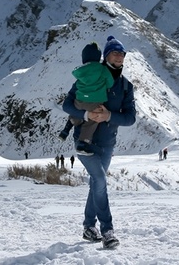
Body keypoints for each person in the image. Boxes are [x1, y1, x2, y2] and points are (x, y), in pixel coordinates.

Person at [62, 36, 136, 249]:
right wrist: (86, 116)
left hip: (108, 144)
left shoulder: (125, 86)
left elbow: (130, 118)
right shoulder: (88, 77)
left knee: (97, 183)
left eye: (122, 54)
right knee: (100, 181)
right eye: (115, 53)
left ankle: (88, 226)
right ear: (106, 55)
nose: (120, 56)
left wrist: (109, 116)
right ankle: (107, 230)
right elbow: (67, 105)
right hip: (86, 142)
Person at [64, 42, 114, 156]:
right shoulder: (102, 69)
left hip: (79, 101)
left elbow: (77, 83)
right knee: (92, 121)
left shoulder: (81, 71)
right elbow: (110, 83)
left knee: (77, 113)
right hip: (95, 103)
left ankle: (67, 127)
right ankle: (82, 143)